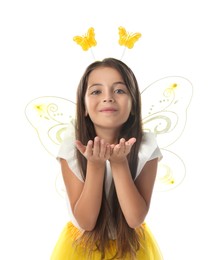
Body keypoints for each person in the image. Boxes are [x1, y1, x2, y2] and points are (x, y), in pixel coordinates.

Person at [51, 58, 163, 259]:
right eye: (96, 91)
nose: (108, 97)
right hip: (81, 249)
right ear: (84, 106)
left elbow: (135, 218)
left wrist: (119, 164)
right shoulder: (71, 149)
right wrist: (95, 165)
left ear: (134, 105)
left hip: (131, 248)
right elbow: (86, 222)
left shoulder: (145, 147)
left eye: (119, 90)